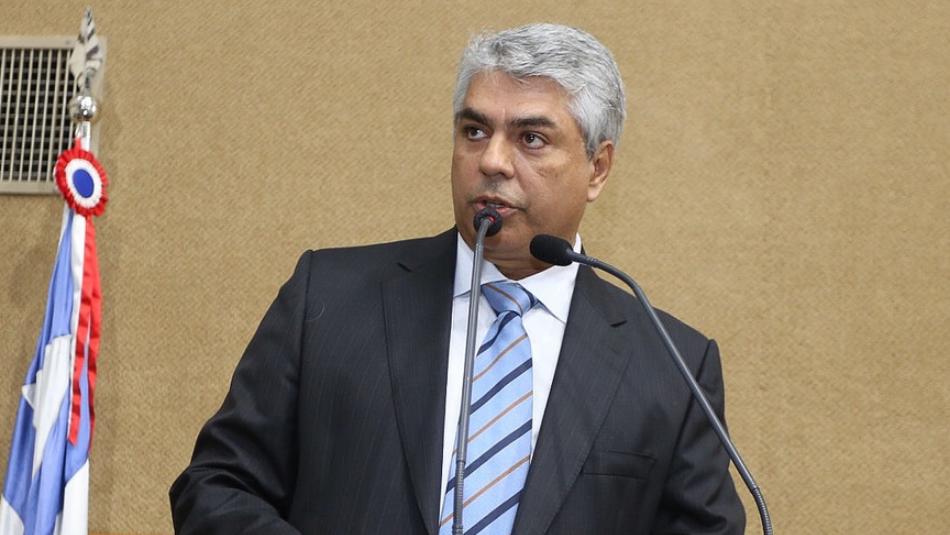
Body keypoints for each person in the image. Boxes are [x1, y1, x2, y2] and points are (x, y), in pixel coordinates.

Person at [170, 23, 746, 534]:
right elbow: (216, 487)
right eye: (474, 131)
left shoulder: (672, 366)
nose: (492, 161)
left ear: (597, 168)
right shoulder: (329, 298)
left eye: (531, 138)